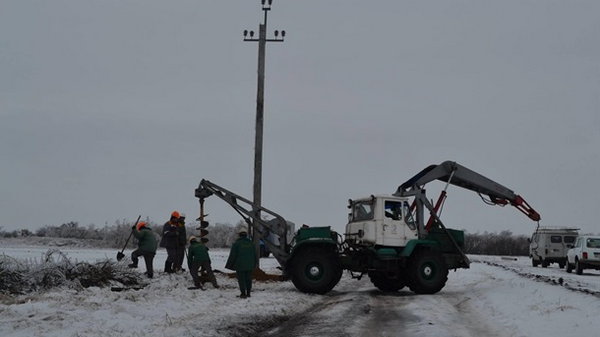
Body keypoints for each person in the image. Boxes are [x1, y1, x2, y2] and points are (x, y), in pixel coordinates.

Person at [225, 227, 257, 298]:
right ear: (246, 235)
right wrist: (254, 264)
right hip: (250, 265)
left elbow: (232, 255)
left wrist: (229, 265)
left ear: (239, 235)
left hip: (240, 265)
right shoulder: (251, 244)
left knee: (241, 280)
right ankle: (248, 293)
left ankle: (243, 294)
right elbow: (255, 255)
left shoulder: (236, 244)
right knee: (248, 279)